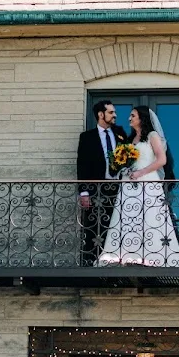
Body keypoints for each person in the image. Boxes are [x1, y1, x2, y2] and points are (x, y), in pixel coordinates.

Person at [96, 105, 179, 267]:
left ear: (142, 118)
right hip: (129, 184)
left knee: (149, 217)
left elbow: (161, 160)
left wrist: (141, 172)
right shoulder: (129, 140)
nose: (129, 118)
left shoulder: (152, 136)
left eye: (133, 115)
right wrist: (123, 168)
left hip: (148, 181)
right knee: (128, 218)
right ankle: (127, 256)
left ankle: (154, 257)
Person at [76, 100, 127, 265]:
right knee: (95, 225)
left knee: (118, 223)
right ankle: (93, 262)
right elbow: (82, 164)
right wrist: (83, 192)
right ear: (100, 114)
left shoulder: (120, 132)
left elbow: (129, 156)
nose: (115, 115)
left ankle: (119, 260)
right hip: (96, 187)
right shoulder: (87, 137)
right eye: (111, 112)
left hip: (118, 187)